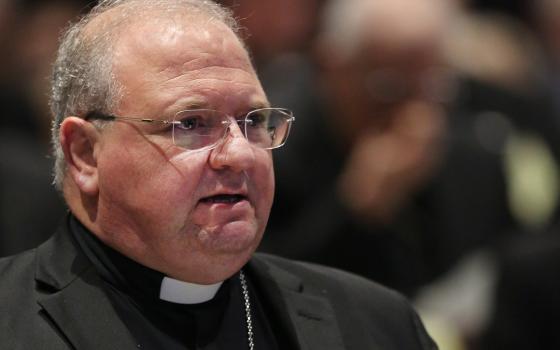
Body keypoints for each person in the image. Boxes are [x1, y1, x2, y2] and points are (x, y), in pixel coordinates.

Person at [0, 0, 436, 349]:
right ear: (85, 154)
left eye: (254, 121)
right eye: (190, 124)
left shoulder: (378, 324)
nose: (239, 154)